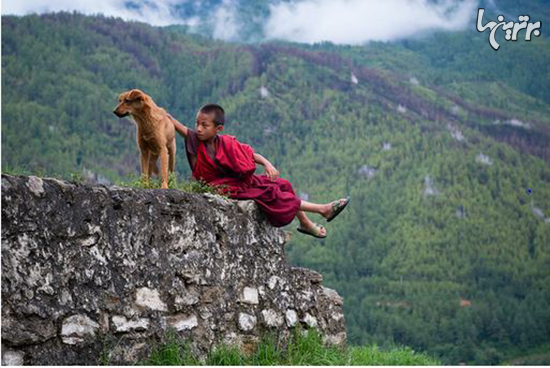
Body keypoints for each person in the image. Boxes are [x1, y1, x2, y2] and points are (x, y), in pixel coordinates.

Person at [167, 103, 350, 238]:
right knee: (272, 192)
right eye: (197, 123)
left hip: (238, 183)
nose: (198, 129)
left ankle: (305, 223)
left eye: (205, 125)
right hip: (222, 187)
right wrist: (158, 111)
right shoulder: (194, 139)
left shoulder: (226, 143)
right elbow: (176, 124)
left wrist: (268, 164)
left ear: (218, 129)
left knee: (282, 184)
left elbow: (250, 155)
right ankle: (322, 209)